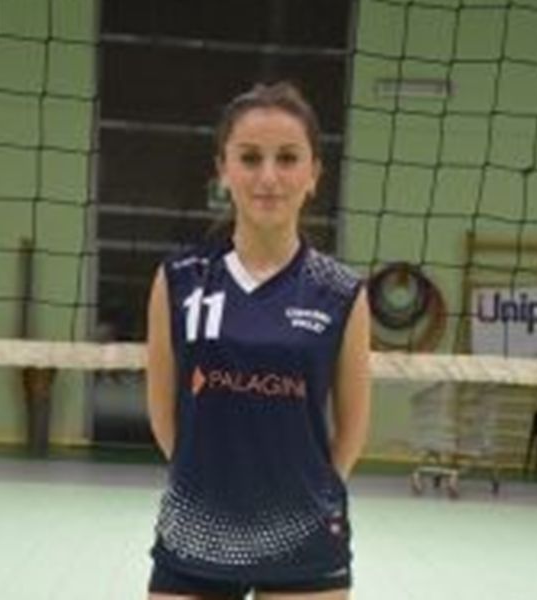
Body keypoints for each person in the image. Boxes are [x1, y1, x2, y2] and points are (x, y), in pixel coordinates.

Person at [146, 81, 372, 600]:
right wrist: (209, 481)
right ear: (223, 170)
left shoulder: (340, 291)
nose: (268, 176)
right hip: (197, 524)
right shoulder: (179, 278)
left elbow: (354, 427)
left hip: (305, 533)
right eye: (250, 158)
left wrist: (308, 496)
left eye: (287, 158)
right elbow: (161, 412)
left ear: (313, 174)